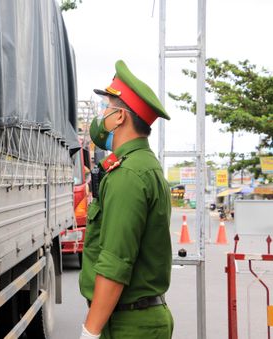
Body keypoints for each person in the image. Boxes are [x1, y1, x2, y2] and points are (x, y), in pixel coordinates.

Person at [79, 60, 174, 339]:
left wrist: (90, 331)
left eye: (106, 108)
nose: (102, 117)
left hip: (129, 326)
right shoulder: (142, 165)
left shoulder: (128, 174)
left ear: (120, 117)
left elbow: (115, 262)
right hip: (136, 321)